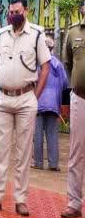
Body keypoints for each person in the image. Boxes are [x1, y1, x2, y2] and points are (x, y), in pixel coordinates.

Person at [0, 0, 51, 217]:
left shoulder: (37, 35)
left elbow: (46, 68)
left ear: (26, 11)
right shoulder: (2, 35)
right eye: (10, 12)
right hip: (3, 98)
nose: (12, 16)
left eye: (17, 12)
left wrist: (34, 97)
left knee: (23, 152)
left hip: (26, 99)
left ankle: (21, 199)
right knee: (0, 151)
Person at [62, 0, 85, 218]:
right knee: (77, 153)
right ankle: (74, 202)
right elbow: (67, 63)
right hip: (80, 98)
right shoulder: (72, 33)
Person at [33, 35, 68, 171]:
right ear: (53, 48)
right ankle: (53, 164)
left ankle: (38, 163)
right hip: (53, 104)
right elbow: (65, 83)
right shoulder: (58, 64)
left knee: (38, 134)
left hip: (38, 102)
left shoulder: (38, 64)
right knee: (52, 134)